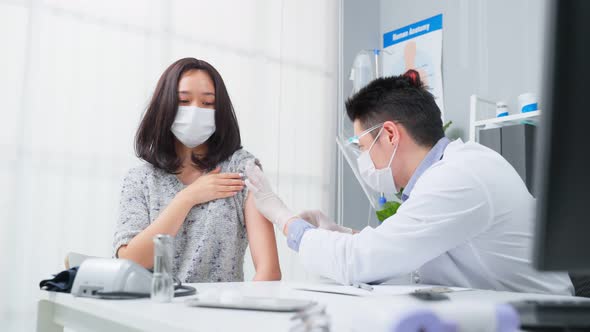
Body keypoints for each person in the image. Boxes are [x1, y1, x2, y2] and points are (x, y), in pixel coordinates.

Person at [245, 70, 573, 295]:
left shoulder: (458, 177)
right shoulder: (452, 169)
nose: (363, 160)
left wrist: (282, 216)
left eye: (361, 147)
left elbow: (358, 262)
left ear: (389, 134)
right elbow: (407, 246)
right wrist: (340, 233)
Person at [113, 58, 281, 282]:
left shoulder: (242, 170)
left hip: (219, 314)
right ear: (165, 105)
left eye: (207, 103)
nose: (195, 111)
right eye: (183, 100)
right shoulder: (141, 179)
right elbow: (130, 262)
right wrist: (187, 198)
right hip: (152, 312)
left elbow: (269, 271)